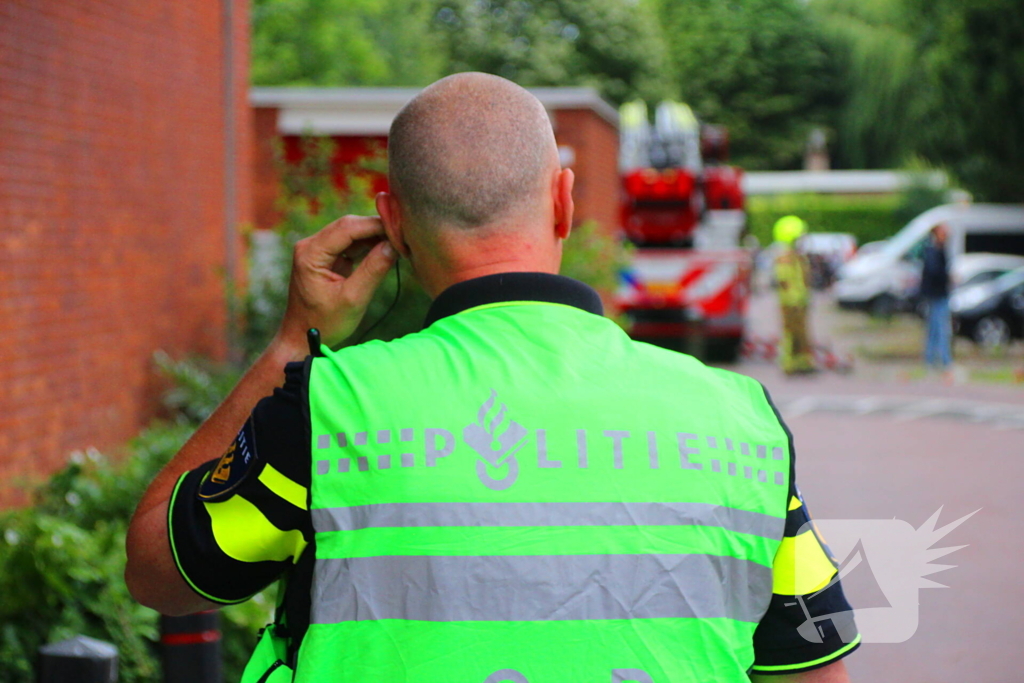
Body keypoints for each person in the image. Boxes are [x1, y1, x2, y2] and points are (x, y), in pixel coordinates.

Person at [126, 73, 859, 682]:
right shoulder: (739, 417)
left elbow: (158, 571)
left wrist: (293, 339)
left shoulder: (331, 409)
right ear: (564, 201)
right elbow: (815, 665)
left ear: (393, 222)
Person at [773, 215, 816, 375]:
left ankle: (802, 363)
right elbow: (784, 281)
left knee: (802, 334)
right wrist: (795, 300)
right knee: (792, 334)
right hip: (792, 303)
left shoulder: (795, 256)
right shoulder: (785, 258)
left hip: (798, 301)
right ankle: (790, 364)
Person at [920, 223, 952, 371]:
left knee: (934, 329)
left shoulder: (934, 250)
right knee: (941, 328)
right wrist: (947, 278)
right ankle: (945, 361)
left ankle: (930, 359)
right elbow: (935, 272)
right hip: (938, 294)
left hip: (935, 294)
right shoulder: (935, 251)